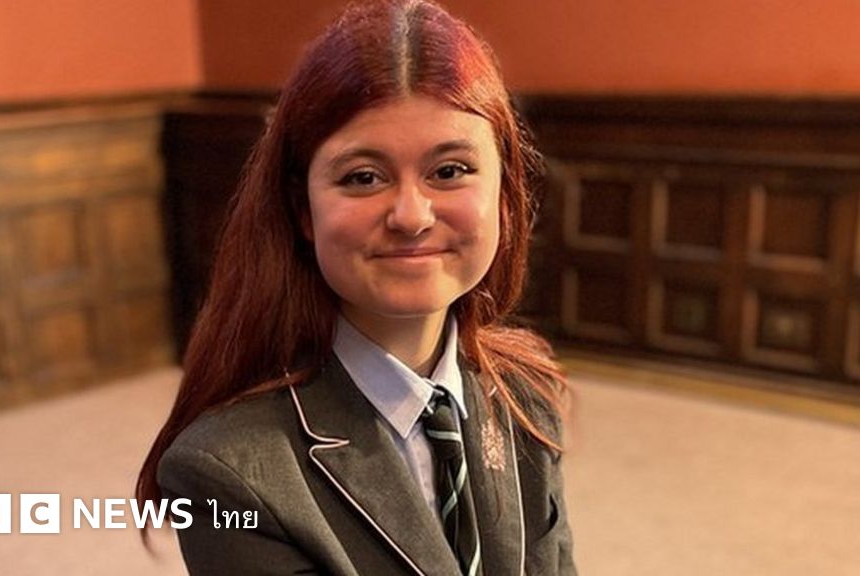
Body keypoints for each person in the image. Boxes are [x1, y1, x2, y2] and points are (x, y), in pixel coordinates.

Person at [136, 0, 575, 574]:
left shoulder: (525, 394)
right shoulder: (227, 470)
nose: (411, 216)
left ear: (505, 194)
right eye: (363, 177)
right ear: (303, 210)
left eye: (449, 171)